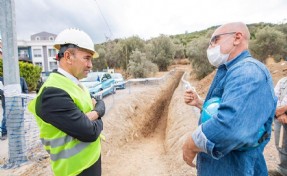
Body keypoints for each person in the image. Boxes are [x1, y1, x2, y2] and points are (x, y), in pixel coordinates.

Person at [182, 22, 277, 175]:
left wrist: (191, 143)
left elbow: (230, 126)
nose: (210, 47)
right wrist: (200, 103)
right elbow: (236, 110)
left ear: (237, 38)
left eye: (215, 40)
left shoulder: (248, 71)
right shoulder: (232, 70)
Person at [28, 28, 105, 176]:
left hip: (89, 161)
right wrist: (99, 113)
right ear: (68, 57)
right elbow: (90, 132)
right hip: (75, 170)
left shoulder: (74, 84)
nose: (90, 65)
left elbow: (99, 102)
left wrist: (93, 114)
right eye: (87, 58)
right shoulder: (53, 93)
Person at [268, 77, 287, 176]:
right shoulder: (282, 81)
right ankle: (283, 170)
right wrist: (280, 114)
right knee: (281, 146)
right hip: (280, 118)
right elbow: (274, 98)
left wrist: (284, 109)